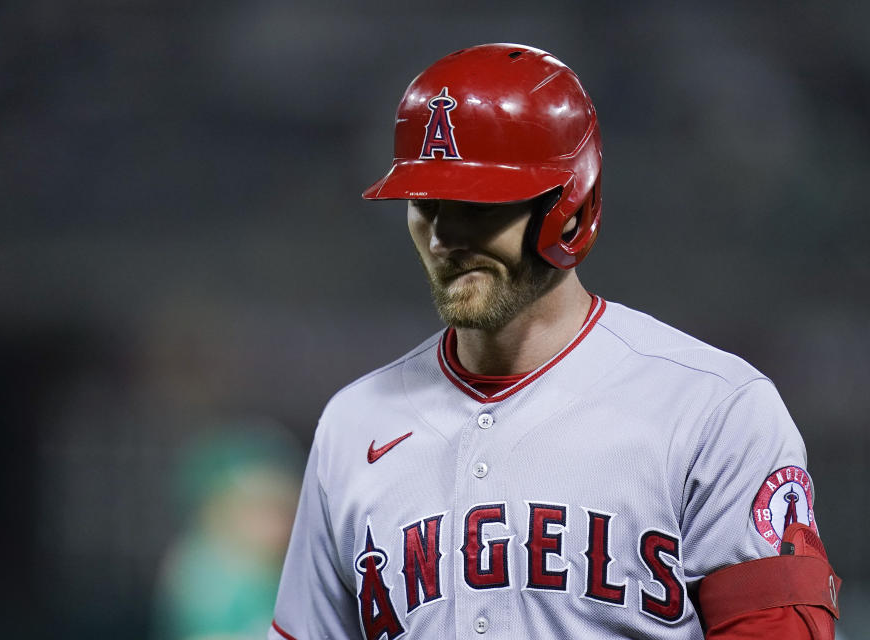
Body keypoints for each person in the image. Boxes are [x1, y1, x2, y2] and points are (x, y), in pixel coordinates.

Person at [268, 43, 840, 639]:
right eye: (425, 203)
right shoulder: (352, 424)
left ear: (568, 209)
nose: (443, 237)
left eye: (475, 204)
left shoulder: (713, 408)